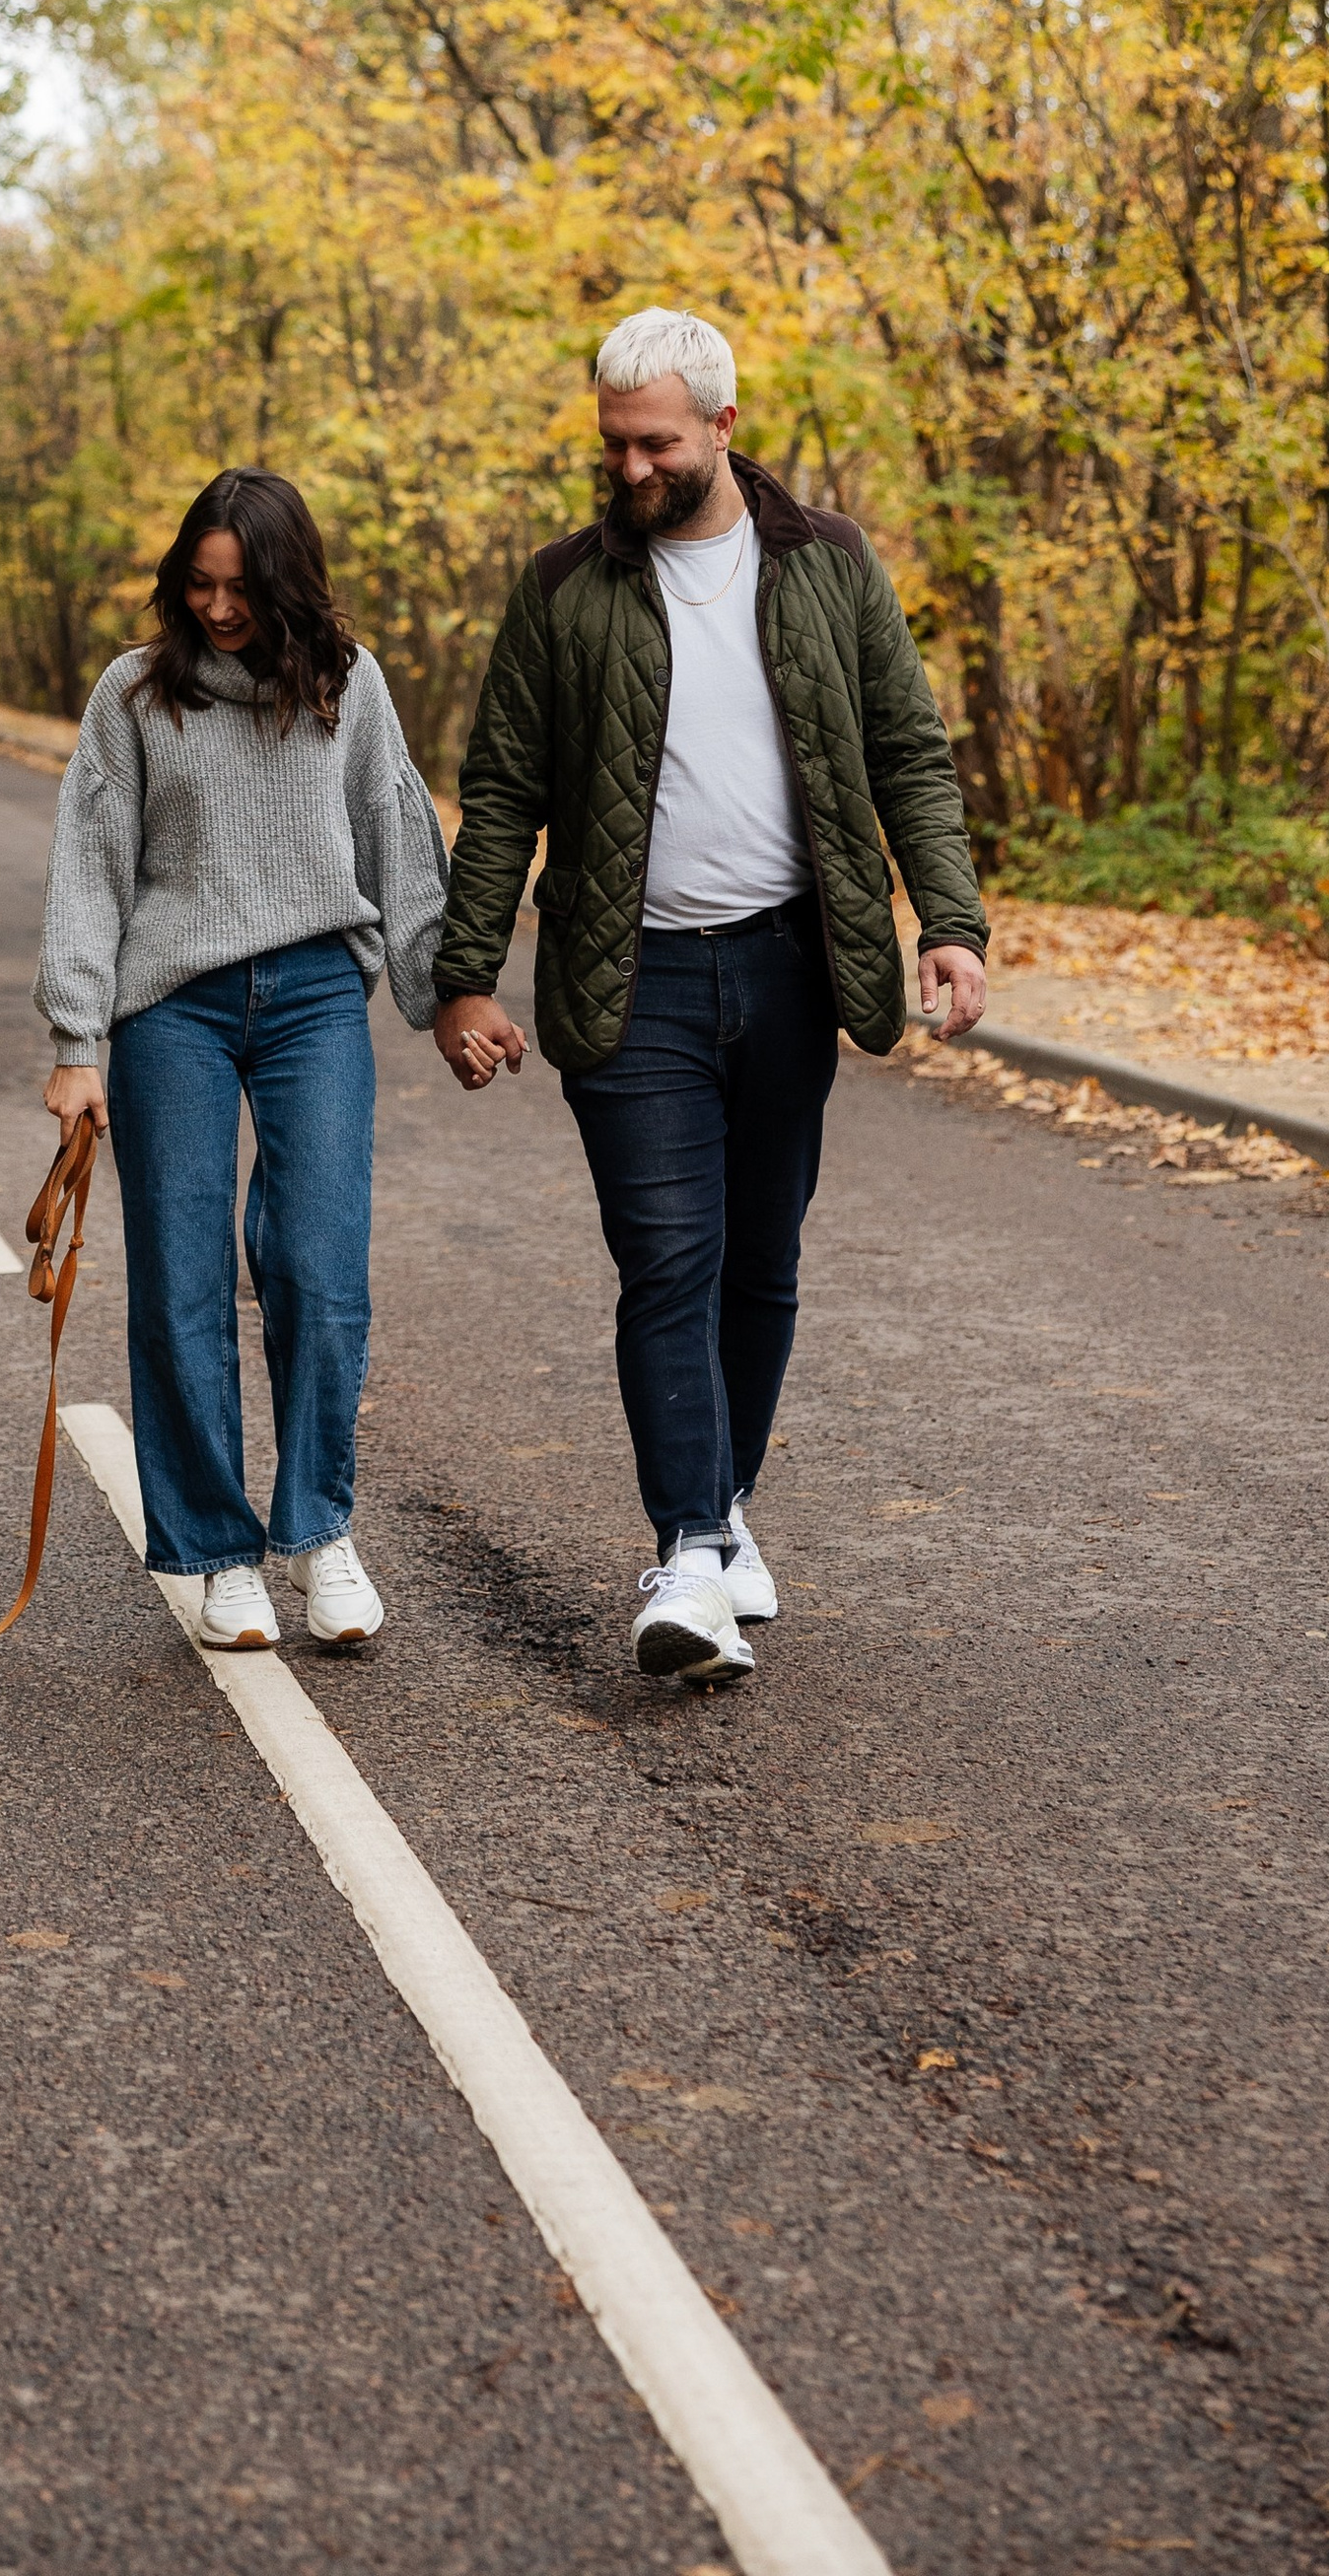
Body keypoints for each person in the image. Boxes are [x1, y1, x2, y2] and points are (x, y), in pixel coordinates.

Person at [431, 308, 989, 1682]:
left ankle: (723, 1518)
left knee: (762, 1259)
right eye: (613, 443)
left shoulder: (830, 563)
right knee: (668, 1258)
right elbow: (502, 788)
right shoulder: (564, 587)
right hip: (632, 982)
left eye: (656, 443)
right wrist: (464, 975)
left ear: (724, 430)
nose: (629, 469)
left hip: (796, 965)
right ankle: (688, 1549)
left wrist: (949, 923)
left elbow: (908, 749)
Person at [35, 468, 449, 1650]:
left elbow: (400, 840)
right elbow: (87, 863)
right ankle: (219, 1554)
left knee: (320, 1272)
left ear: (288, 583)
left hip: (317, 993)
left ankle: (318, 1530)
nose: (218, 611)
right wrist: (76, 1041)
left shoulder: (346, 686)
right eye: (198, 586)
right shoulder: (134, 694)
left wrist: (445, 998)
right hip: (172, 1008)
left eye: (241, 589)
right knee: (180, 1280)